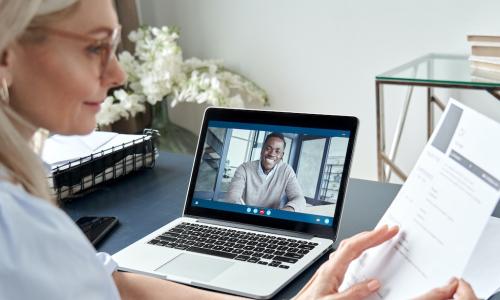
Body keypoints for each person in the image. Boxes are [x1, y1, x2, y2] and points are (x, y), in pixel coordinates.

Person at [0, 0, 479, 299]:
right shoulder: (14, 235)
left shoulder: (22, 192)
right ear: (7, 49)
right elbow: (231, 202)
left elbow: (115, 283)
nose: (119, 74)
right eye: (94, 47)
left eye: (115, 45)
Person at [225, 132, 306, 212]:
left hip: (271, 220)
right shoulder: (244, 169)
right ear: (262, 150)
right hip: (246, 216)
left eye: (277, 151)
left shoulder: (286, 171)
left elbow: (299, 199)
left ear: (282, 155)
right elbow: (232, 197)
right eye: (268, 148)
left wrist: (284, 212)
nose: (272, 154)